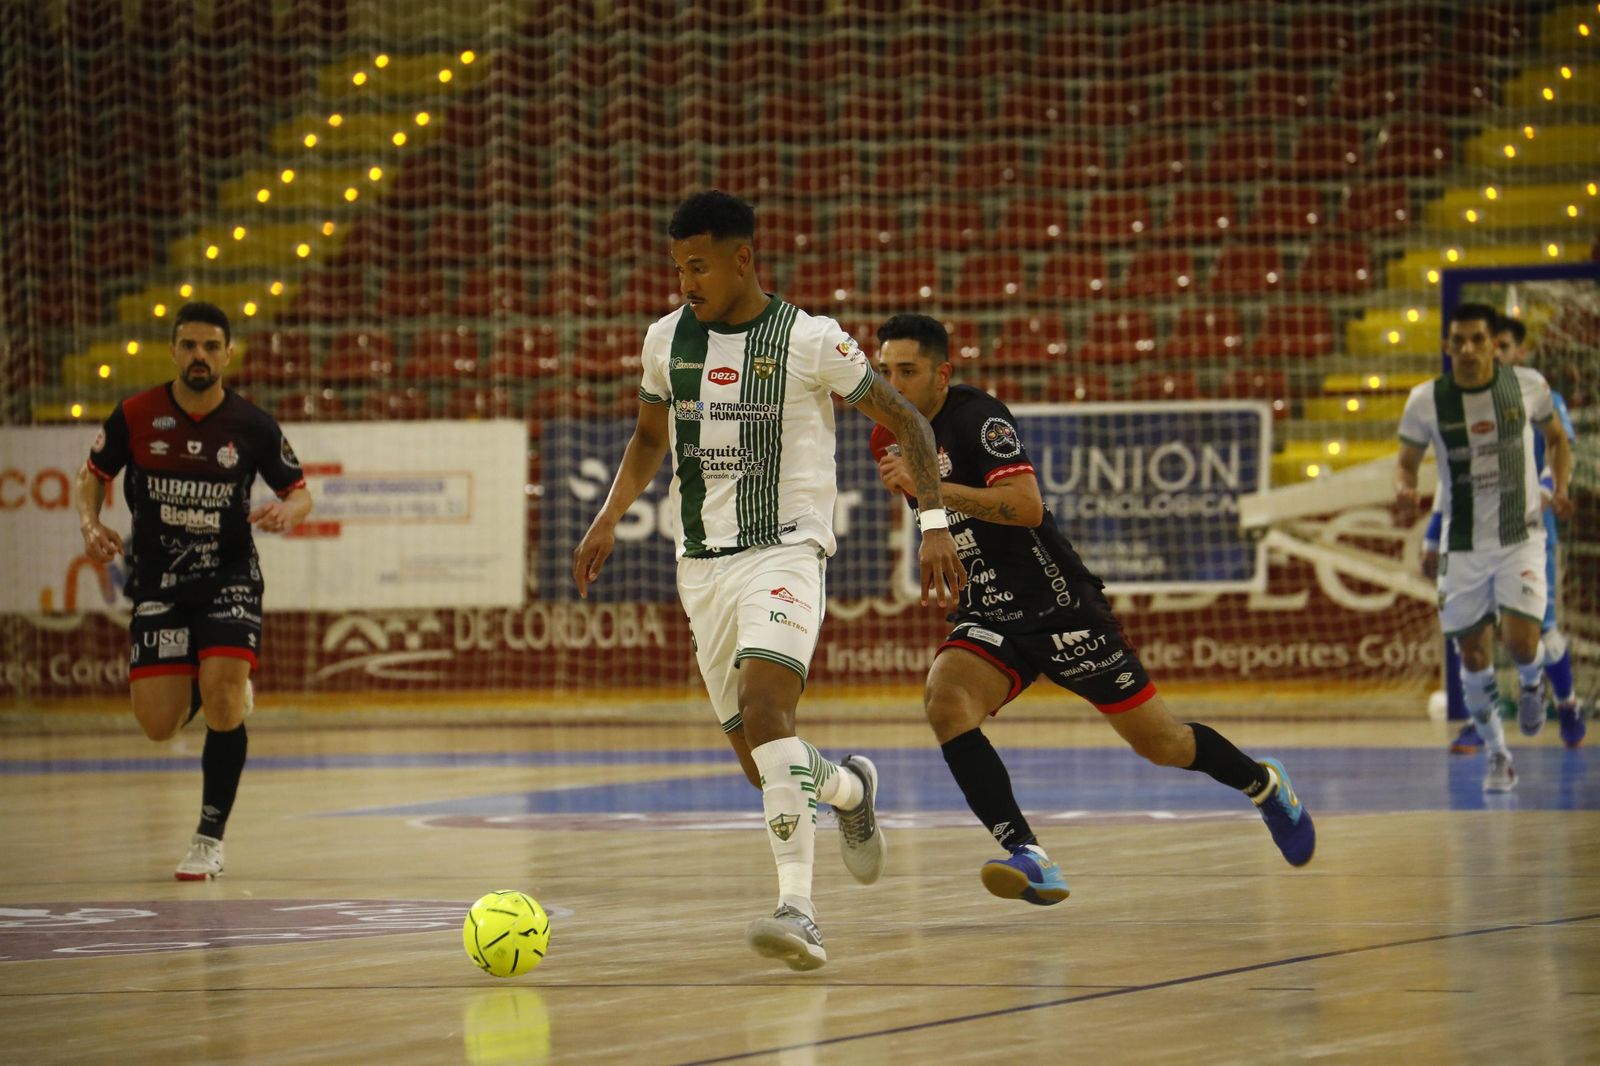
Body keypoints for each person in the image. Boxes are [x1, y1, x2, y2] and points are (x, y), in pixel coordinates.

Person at [571, 191, 965, 970]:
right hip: (702, 566)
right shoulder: (665, 341)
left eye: (699, 266)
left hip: (786, 552)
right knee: (763, 763)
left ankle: (798, 912)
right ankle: (849, 788)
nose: (687, 281)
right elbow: (651, 435)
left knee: (765, 712)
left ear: (743, 259)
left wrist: (934, 521)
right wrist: (611, 514)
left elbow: (909, 420)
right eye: (678, 266)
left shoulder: (810, 341)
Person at [868, 313, 1315, 906]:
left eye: (907, 371)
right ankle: (1030, 857)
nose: (892, 384)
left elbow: (1026, 508)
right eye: (883, 372)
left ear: (942, 374)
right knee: (946, 702)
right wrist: (934, 526)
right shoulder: (886, 432)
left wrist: (934, 490)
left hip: (1059, 607)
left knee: (1163, 745)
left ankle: (1264, 784)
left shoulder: (980, 419)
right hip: (991, 609)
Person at [74, 301, 312, 879]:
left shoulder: (252, 425)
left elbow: (301, 492)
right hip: (157, 580)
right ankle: (214, 684)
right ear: (174, 351)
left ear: (228, 354)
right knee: (158, 725)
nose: (199, 356)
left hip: (229, 576)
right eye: (189, 345)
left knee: (225, 698)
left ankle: (208, 838)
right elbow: (93, 477)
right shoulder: (136, 414)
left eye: (211, 346)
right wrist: (90, 522)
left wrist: (289, 513)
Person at [1397, 303, 1574, 791]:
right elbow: (1407, 462)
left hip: (1521, 537)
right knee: (1472, 657)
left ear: (1495, 345)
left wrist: (1560, 486)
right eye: (1459, 341)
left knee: (1521, 643)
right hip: (1463, 544)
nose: (1469, 349)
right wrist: (1404, 487)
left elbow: (1558, 440)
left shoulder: (1529, 386)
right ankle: (1499, 757)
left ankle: (1534, 681)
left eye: (1479, 339)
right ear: (1447, 345)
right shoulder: (1425, 401)